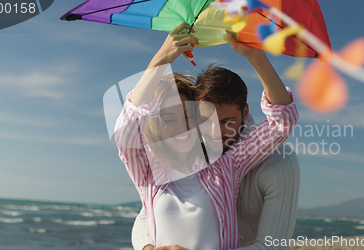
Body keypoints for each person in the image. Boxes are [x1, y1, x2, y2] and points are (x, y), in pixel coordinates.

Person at [115, 23, 298, 250]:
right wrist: (160, 59)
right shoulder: (146, 172)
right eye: (169, 119)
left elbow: (281, 122)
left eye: (187, 117)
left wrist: (257, 58)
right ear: (156, 125)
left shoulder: (226, 165)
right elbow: (126, 130)